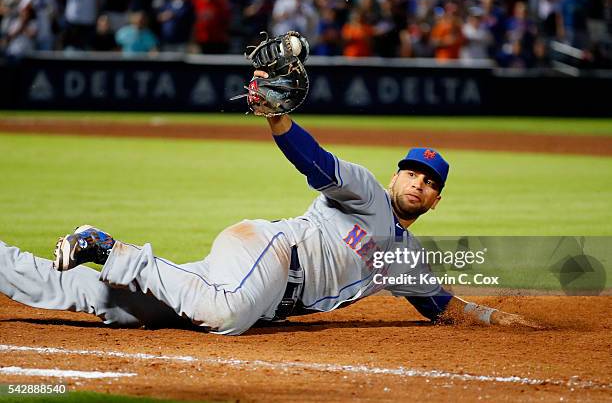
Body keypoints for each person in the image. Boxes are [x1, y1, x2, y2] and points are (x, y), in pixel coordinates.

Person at [0, 90, 541, 335]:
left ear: (435, 199)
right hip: (271, 252)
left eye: (429, 183)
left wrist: (497, 319)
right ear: (396, 174)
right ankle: (107, 246)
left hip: (264, 292)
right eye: (412, 173)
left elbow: (438, 303)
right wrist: (278, 118)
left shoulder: (408, 259)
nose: (417, 183)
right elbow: (314, 159)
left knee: (114, 305)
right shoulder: (365, 189)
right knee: (227, 316)